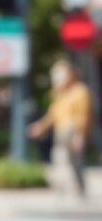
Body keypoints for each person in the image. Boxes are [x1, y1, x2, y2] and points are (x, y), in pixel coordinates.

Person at [27, 60, 92, 198]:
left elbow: (83, 115)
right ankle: (65, 188)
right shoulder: (59, 93)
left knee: (76, 162)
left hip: (73, 130)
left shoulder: (80, 91)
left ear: (71, 74)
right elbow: (53, 114)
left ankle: (79, 188)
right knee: (60, 158)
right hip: (61, 131)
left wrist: (79, 136)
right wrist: (40, 126)